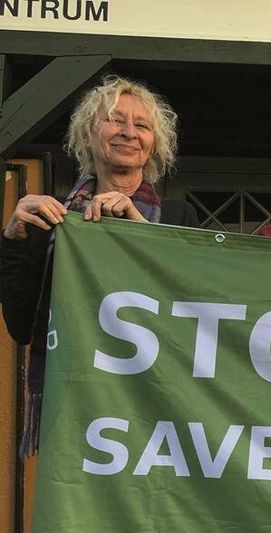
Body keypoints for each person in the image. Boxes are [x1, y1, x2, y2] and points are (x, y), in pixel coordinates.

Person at [0, 74, 198, 452]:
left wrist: (137, 228)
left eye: (141, 125)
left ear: (153, 145)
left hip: (154, 398)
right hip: (74, 396)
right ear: (88, 134)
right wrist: (14, 239)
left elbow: (193, 304)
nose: (128, 132)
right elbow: (22, 326)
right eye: (114, 119)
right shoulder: (53, 219)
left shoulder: (178, 216)